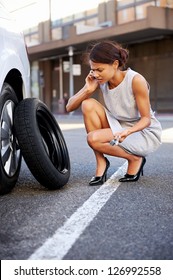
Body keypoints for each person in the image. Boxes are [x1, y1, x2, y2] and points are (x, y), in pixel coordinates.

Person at [66, 40, 162, 185]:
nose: (96, 74)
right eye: (93, 70)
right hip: (119, 125)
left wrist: (128, 131)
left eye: (100, 70)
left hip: (142, 131)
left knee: (93, 138)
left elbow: (146, 120)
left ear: (115, 64)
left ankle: (135, 159)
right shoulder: (100, 81)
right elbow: (69, 107)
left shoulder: (136, 80)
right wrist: (88, 90)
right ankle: (101, 163)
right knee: (87, 104)